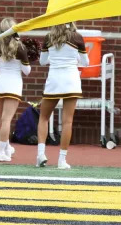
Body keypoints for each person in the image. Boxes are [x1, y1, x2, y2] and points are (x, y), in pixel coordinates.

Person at [36, 22, 88, 169]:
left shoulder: (49, 37)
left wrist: (55, 57)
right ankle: (62, 160)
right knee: (67, 121)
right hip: (71, 80)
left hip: (54, 80)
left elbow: (42, 62)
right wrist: (75, 58)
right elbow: (85, 62)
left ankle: (40, 154)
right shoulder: (77, 37)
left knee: (43, 117)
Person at [0, 17, 30, 163]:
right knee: (7, 120)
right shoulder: (21, 47)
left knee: (2, 119)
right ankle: (0, 152)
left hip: (0, 84)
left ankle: (6, 147)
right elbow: (27, 71)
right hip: (13, 85)